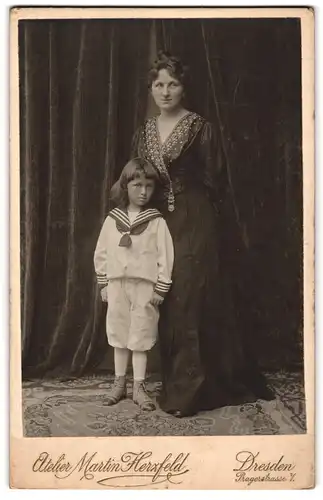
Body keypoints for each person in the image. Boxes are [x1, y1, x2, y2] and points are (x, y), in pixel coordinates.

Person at [131, 51, 274, 418]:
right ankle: (175, 379)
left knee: (191, 296)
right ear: (150, 88)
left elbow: (216, 178)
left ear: (184, 88)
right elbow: (138, 177)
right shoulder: (144, 131)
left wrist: (208, 220)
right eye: (158, 84)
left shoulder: (198, 126)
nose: (165, 91)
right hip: (157, 217)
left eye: (173, 84)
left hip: (195, 216)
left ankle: (191, 392)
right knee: (167, 295)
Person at [94, 157, 174, 411]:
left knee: (140, 335)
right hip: (117, 285)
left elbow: (165, 256)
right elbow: (102, 252)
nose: (143, 191)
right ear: (125, 186)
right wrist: (104, 282)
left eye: (149, 186)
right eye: (137, 185)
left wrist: (161, 287)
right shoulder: (112, 220)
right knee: (119, 334)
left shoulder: (156, 221)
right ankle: (119, 384)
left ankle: (139, 387)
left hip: (144, 288)